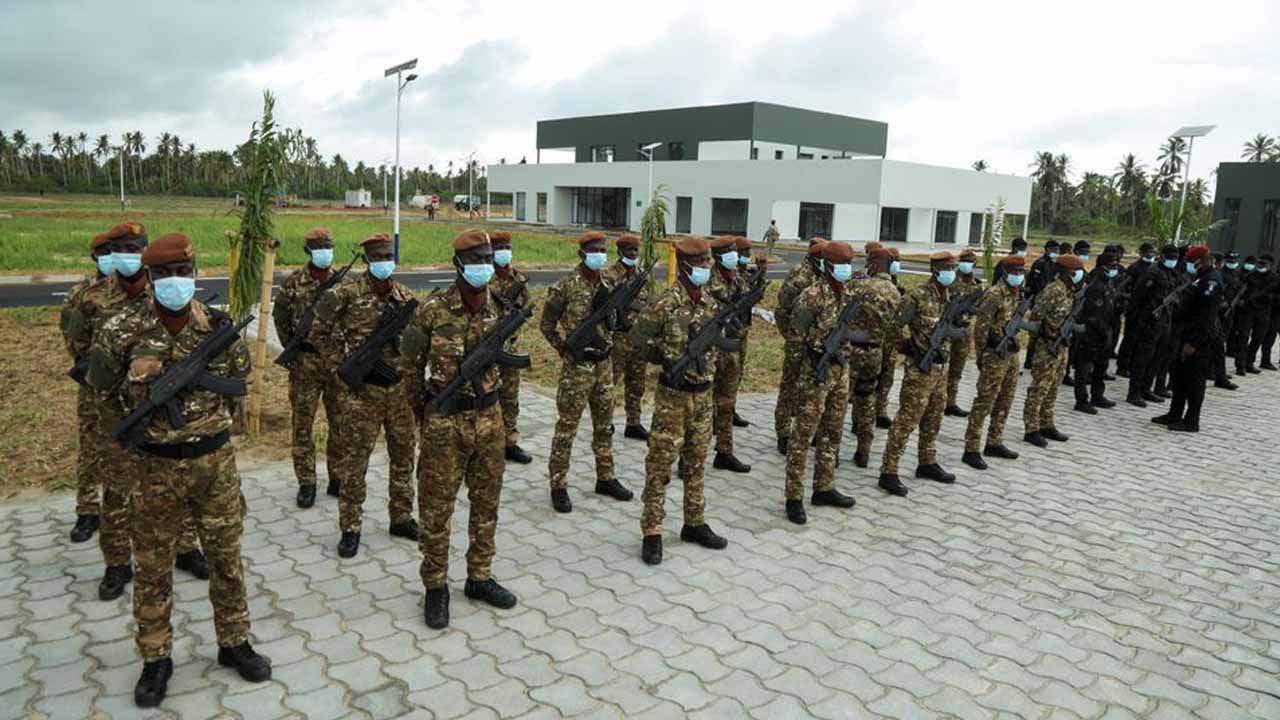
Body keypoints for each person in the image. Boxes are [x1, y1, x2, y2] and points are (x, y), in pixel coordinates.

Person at [87, 232, 270, 708]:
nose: (176, 282)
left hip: (214, 466)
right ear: (149, 278)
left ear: (195, 274)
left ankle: (234, 641)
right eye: (165, 274)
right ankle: (156, 658)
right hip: (154, 469)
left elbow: (238, 383)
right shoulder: (119, 330)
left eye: (183, 273)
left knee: (226, 559)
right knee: (152, 568)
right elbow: (102, 398)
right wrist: (137, 439)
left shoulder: (217, 327)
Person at [76, 223, 208, 600]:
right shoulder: (91, 297)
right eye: (121, 248)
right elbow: (81, 349)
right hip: (119, 412)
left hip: (170, 415)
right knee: (119, 490)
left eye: (135, 247)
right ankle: (117, 562)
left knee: (179, 484)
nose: (128, 254)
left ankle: (185, 548)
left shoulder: (167, 291)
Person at [403, 229, 518, 629]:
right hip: (445, 422)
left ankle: (479, 576)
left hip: (488, 419)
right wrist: (426, 412)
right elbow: (409, 367)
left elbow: (508, 368)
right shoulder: (432, 311)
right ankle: (435, 586)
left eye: (487, 259)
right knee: (436, 508)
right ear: (457, 265)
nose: (484, 266)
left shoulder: (500, 308)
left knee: (487, 503)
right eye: (475, 261)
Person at [312, 234, 419, 558]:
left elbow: (418, 342)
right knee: (354, 463)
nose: (385, 261)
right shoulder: (345, 294)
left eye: (389, 255)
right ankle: (351, 527)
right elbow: (318, 332)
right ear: (368, 259)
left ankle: (401, 516)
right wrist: (341, 367)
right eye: (379, 256)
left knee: (404, 456)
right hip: (362, 394)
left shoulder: (404, 297)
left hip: (398, 392)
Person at [632, 235, 729, 565]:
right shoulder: (664, 304)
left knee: (697, 462)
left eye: (708, 261)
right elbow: (637, 342)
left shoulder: (711, 304)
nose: (707, 267)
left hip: (703, 397)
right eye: (702, 263)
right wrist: (666, 358)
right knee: (660, 465)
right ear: (686, 266)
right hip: (672, 397)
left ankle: (694, 522)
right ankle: (652, 530)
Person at [540, 231, 633, 513]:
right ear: (582, 254)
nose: (599, 256)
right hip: (577, 368)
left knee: (604, 426)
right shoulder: (565, 287)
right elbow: (547, 325)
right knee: (567, 428)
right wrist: (565, 349)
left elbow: (618, 321)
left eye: (603, 250)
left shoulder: (609, 284)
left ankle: (606, 477)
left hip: (603, 366)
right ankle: (558, 485)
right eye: (594, 251)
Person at [782, 241, 862, 523]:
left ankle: (824, 487)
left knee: (833, 430)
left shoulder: (849, 293)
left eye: (848, 264)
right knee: (803, 436)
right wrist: (797, 376)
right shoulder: (811, 296)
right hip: (814, 372)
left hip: (840, 371)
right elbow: (795, 339)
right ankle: (794, 496)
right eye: (841, 265)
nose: (846, 269)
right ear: (828, 266)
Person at [877, 251, 965, 497]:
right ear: (936, 270)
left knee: (934, 417)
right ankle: (888, 471)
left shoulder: (949, 297)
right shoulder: (916, 296)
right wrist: (908, 347)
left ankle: (927, 462)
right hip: (920, 370)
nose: (952, 273)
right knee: (907, 420)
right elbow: (892, 327)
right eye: (948, 268)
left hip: (940, 368)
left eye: (954, 268)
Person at [274, 228, 345, 507]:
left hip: (336, 363)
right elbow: (281, 319)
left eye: (329, 246)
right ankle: (307, 482)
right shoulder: (293, 284)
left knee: (340, 422)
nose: (326, 252)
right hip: (305, 363)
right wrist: (293, 349)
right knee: (302, 424)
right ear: (308, 251)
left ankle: (338, 477)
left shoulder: (342, 283)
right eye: (320, 247)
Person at [60, 231, 114, 542]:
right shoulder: (80, 295)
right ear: (95, 256)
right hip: (93, 384)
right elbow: (72, 338)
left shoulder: (140, 291)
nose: (112, 257)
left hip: (131, 387)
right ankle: (88, 510)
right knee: (91, 448)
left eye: (116, 251)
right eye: (105, 252)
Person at [961, 256, 1027, 469]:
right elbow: (981, 328)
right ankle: (971, 448)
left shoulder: (1016, 293)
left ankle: (994, 441)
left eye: (1021, 272)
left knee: (1005, 400)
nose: (1019, 275)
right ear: (1005, 273)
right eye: (1015, 272)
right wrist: (982, 356)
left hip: (1010, 355)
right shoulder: (994, 294)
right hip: (994, 355)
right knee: (985, 401)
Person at [1152, 245, 1222, 432]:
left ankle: (1192, 421)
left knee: (1194, 380)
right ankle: (1175, 413)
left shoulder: (1211, 281)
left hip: (1199, 339)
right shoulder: (1200, 278)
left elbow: (1206, 316)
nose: (1188, 264)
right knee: (1179, 377)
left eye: (1191, 261)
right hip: (1185, 333)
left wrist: (1194, 342)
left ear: (1201, 260)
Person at [846, 245, 901, 468]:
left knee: (839, 400)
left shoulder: (858, 286)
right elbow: (896, 328)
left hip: (852, 350)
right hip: (875, 352)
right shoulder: (895, 292)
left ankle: (829, 448)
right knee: (867, 397)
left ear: (874, 265)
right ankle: (864, 450)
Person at [1022, 254, 1083, 446]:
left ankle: (1046, 424)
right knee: (1040, 387)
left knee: (1054, 386)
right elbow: (1036, 317)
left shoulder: (1069, 290)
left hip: (1061, 346)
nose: (1078, 274)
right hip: (1047, 346)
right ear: (1066, 272)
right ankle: (1031, 428)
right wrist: (1045, 337)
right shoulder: (1053, 290)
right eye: (1075, 271)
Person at [773, 238, 826, 454]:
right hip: (797, 338)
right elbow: (783, 308)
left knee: (812, 389)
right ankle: (784, 433)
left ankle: (811, 431)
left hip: (815, 343)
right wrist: (792, 337)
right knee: (789, 385)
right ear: (816, 259)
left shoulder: (822, 275)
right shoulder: (801, 276)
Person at [603, 234, 655, 441]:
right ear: (619, 252)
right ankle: (605, 421)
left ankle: (633, 423)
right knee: (611, 381)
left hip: (638, 337)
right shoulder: (609, 275)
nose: (633, 254)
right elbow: (604, 304)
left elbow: (650, 304)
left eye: (635, 250)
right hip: (618, 337)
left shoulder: (642, 276)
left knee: (637, 383)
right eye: (629, 251)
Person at [706, 235, 751, 473]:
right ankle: (687, 457)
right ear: (718, 257)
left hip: (731, 348)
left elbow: (745, 300)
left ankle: (724, 452)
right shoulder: (707, 281)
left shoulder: (736, 279)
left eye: (735, 251)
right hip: (711, 351)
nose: (735, 256)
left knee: (727, 403)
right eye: (729, 252)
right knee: (703, 407)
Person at [488, 231, 534, 464]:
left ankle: (510, 442)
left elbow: (527, 307)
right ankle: (487, 444)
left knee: (510, 396)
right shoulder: (485, 278)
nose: (504, 252)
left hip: (510, 348)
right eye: (499, 248)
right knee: (488, 396)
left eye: (507, 247)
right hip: (488, 347)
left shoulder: (518, 280)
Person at [1124, 245, 1181, 406]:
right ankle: (1134, 392)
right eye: (1170, 257)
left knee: (1158, 357)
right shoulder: (1152, 272)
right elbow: (1138, 296)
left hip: (1164, 320)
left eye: (1175, 257)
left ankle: (1146, 388)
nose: (1173, 260)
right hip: (1149, 320)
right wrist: (1137, 318)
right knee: (1143, 357)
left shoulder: (1172, 272)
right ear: (1162, 257)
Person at [1071, 251, 1119, 414]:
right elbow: (1092, 315)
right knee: (1084, 369)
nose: (1115, 268)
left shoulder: (1108, 285)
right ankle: (1081, 400)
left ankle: (1097, 396)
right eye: (1112, 266)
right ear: (1102, 267)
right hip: (1092, 334)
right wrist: (1101, 330)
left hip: (1105, 333)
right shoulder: (1095, 287)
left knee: (1101, 367)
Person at [944, 248, 983, 417]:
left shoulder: (977, 285)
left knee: (957, 368)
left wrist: (971, 309)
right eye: (964, 261)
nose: (967, 264)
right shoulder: (950, 280)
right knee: (941, 366)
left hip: (964, 331)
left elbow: (981, 309)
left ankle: (950, 402)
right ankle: (937, 399)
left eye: (970, 262)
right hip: (947, 329)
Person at [874, 246, 906, 429]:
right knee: (870, 380)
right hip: (876, 340)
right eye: (895, 260)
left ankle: (881, 411)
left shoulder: (894, 281)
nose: (897, 264)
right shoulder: (870, 280)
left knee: (886, 378)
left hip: (889, 340)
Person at [1116, 242, 1156, 377]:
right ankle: (1123, 366)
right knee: (1130, 337)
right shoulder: (1134, 268)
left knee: (1141, 339)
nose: (1150, 254)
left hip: (1147, 308)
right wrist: (1129, 299)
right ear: (1141, 253)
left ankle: (1133, 364)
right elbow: (1123, 286)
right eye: (1148, 252)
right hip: (1134, 307)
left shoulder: (1154, 268)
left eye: (1152, 252)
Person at [1023, 239, 1060, 369]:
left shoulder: (1053, 264)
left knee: (1044, 331)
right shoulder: (1040, 263)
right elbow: (1035, 284)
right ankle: (1029, 360)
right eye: (1054, 250)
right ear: (1047, 249)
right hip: (1039, 301)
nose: (1056, 252)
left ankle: (1038, 358)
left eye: (1057, 250)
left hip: (1049, 302)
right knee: (1034, 332)